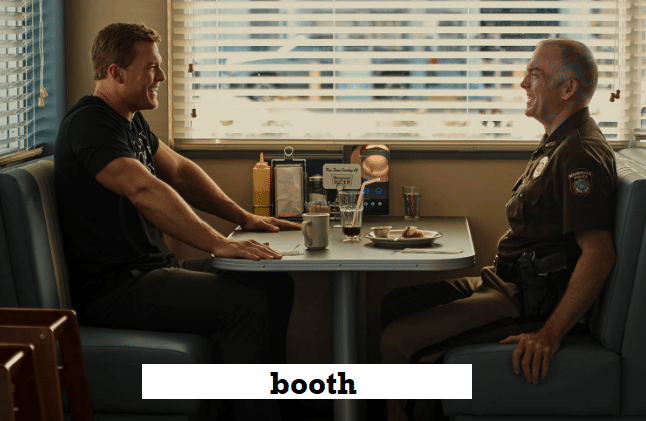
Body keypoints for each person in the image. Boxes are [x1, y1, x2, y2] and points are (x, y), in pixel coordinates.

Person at [54, 23, 301, 421]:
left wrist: (243, 217)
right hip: (115, 288)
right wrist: (218, 243)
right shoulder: (90, 123)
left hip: (152, 272)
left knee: (273, 283)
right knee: (247, 303)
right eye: (151, 67)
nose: (162, 77)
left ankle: (270, 404)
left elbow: (181, 173)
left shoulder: (130, 121)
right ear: (116, 72)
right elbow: (144, 189)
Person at [380, 39, 617, 421]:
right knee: (395, 304)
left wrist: (550, 334)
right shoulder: (555, 142)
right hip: (503, 280)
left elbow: (599, 253)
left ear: (568, 88)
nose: (523, 83)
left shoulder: (579, 153)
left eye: (535, 74)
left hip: (528, 299)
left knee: (396, 342)